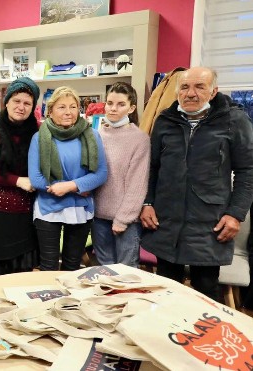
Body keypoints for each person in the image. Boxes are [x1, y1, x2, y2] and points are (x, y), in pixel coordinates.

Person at [140, 66, 253, 300]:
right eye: (184, 87)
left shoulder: (234, 121)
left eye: (199, 86)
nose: (191, 93)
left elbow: (247, 171)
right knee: (165, 290)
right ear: (177, 91)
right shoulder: (165, 120)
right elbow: (153, 167)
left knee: (205, 291)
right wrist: (147, 202)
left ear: (213, 91)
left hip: (209, 225)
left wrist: (235, 214)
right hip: (166, 222)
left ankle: (204, 337)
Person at [28, 86, 108, 271]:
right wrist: (65, 187)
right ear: (51, 110)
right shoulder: (39, 138)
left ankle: (70, 301)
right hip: (48, 208)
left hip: (80, 208)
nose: (68, 112)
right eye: (62, 107)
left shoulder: (92, 135)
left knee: (73, 266)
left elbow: (101, 173)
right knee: (48, 266)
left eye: (73, 107)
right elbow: (36, 178)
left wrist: (71, 186)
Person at [0, 77, 39, 276]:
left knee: (25, 270)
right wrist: (18, 180)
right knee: (2, 272)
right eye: (16, 101)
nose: (21, 107)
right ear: (7, 101)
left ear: (33, 107)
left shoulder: (37, 131)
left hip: (27, 210)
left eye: (27, 103)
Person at [92, 82, 150, 267]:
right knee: (104, 271)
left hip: (126, 220)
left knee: (126, 273)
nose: (113, 108)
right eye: (109, 103)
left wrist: (123, 219)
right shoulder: (96, 134)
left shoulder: (139, 139)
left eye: (120, 104)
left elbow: (137, 184)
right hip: (98, 217)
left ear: (131, 107)